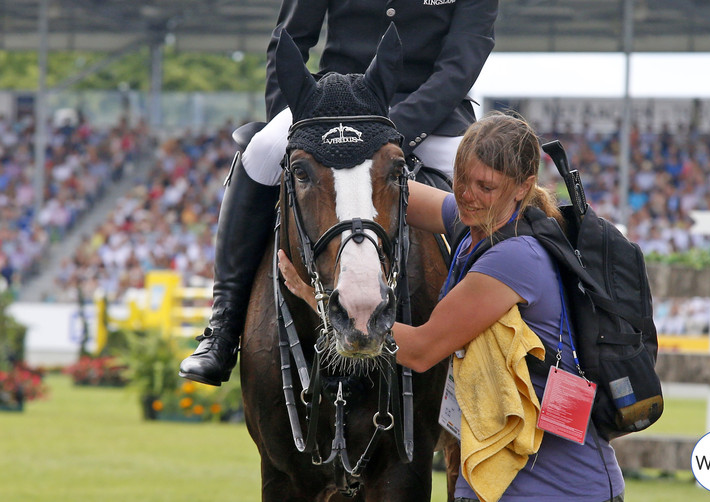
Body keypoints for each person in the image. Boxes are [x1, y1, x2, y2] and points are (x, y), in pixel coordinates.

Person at [279, 112, 625, 501]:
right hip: (495, 479)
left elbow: (422, 350)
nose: (468, 194)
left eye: (486, 186)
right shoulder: (472, 223)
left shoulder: (514, 259)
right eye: (462, 180)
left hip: (557, 487)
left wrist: (318, 298)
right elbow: (391, 191)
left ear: (523, 187)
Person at [179, 0, 498, 386]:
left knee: (488, 191)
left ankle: (494, 349)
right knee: (261, 151)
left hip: (431, 113)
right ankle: (224, 326)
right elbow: (291, 38)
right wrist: (301, 121)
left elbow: (463, 60)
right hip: (331, 106)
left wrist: (388, 131)